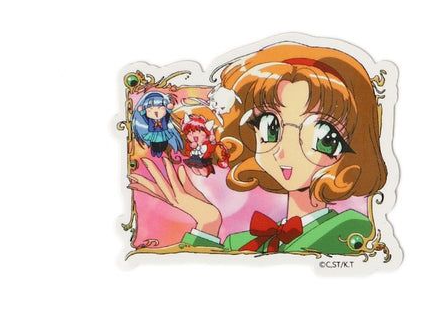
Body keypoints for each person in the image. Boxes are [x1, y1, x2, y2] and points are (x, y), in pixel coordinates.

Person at [129, 45, 387, 256]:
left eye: (320, 136)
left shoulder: (352, 232)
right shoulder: (242, 242)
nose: (284, 153)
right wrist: (208, 223)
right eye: (270, 128)